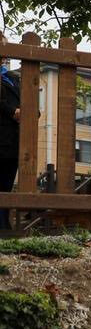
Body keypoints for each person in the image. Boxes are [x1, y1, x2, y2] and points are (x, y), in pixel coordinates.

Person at [0, 33, 19, 230]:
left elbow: (26, 97)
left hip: (13, 140)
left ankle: (4, 225)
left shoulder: (12, 77)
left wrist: (30, 112)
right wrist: (12, 111)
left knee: (7, 184)